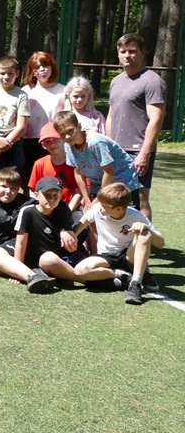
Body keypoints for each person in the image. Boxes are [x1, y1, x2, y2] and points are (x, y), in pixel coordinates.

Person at [70, 182, 164, 305]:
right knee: (80, 271)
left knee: (145, 233)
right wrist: (70, 239)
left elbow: (161, 244)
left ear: (119, 209)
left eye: (103, 205)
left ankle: (135, 283)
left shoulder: (135, 215)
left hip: (129, 256)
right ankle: (123, 275)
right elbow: (80, 226)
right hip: (107, 256)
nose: (99, 207)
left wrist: (147, 227)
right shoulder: (97, 210)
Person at [106, 32, 165, 219]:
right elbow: (111, 115)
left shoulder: (152, 81)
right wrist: (108, 146)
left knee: (140, 198)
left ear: (142, 52)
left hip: (137, 150)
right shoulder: (116, 81)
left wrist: (145, 153)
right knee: (115, 196)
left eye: (132, 51)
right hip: (116, 149)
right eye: (123, 51)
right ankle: (122, 244)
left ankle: (143, 244)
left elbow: (156, 119)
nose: (127, 55)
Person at [0, 168, 54, 292]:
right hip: (1, 252)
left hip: (23, 248)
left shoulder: (29, 205)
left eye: (13, 188)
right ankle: (23, 270)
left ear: (19, 189)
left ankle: (32, 277)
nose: (8, 191)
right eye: (3, 186)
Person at [53, 110, 141, 210]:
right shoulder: (68, 146)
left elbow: (109, 172)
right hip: (99, 184)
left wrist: (99, 199)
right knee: (96, 216)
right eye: (62, 134)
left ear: (79, 126)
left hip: (123, 183)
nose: (67, 136)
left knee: (124, 218)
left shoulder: (95, 142)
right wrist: (86, 199)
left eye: (70, 130)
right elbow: (78, 172)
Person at [22, 51, 65, 165]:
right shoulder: (26, 91)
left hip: (55, 140)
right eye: (37, 67)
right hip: (29, 141)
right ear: (32, 71)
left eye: (45, 65)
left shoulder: (63, 91)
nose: (42, 70)